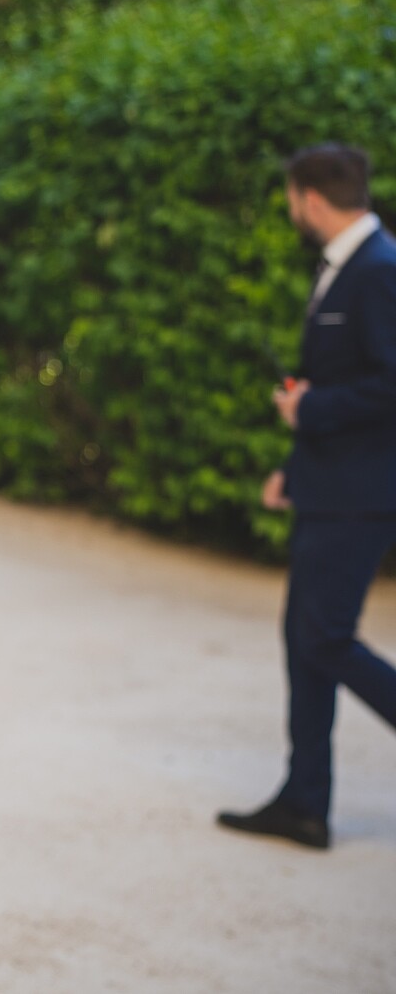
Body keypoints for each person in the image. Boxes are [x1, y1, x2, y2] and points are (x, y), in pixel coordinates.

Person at [220, 142, 396, 850]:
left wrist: (310, 412)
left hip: (360, 492)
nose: (292, 210)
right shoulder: (352, 265)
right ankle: (304, 803)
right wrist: (294, 467)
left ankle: (306, 799)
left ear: (310, 198)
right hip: (329, 484)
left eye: (292, 199)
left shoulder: (379, 270)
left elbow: (389, 383)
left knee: (322, 637)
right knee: (305, 640)